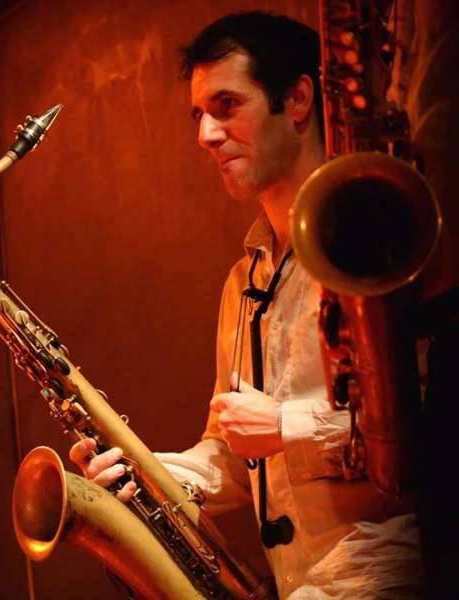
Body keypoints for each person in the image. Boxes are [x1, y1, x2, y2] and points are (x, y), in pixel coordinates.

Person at [69, 11, 423, 599]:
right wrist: (143, 474)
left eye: (227, 106)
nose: (205, 135)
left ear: (299, 98)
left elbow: (429, 420)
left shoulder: (379, 243)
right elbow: (233, 453)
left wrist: (286, 426)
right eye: (198, 115)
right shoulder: (244, 279)